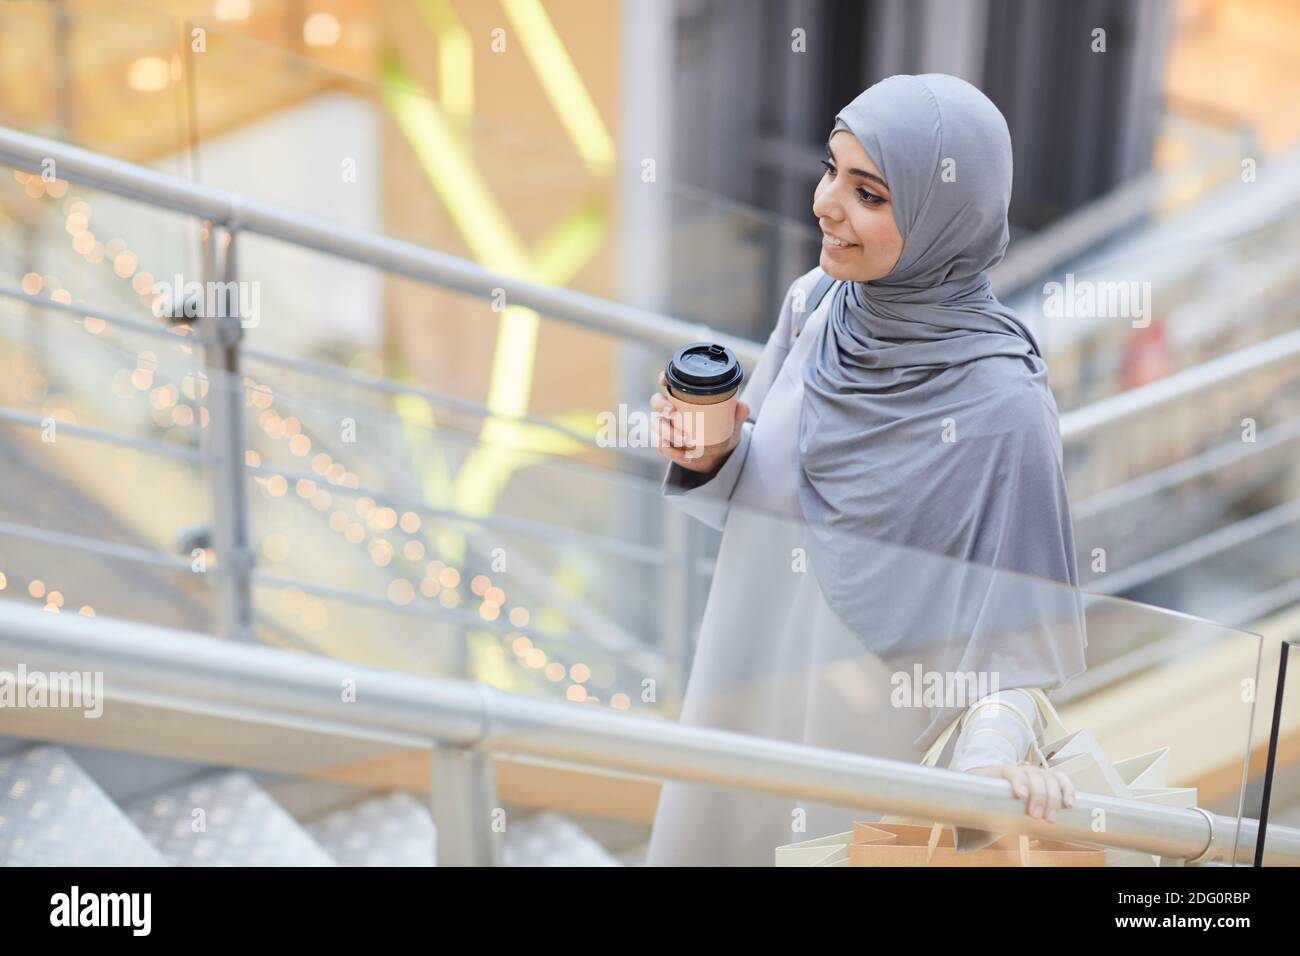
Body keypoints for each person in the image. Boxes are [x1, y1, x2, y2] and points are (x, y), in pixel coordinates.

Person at [645, 74, 1087, 866]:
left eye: (870, 194)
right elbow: (774, 492)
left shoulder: (1003, 408)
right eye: (831, 171)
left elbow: (1020, 640)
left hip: (861, 745)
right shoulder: (817, 304)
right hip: (740, 683)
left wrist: (987, 765)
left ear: (947, 215)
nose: (825, 203)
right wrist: (708, 450)